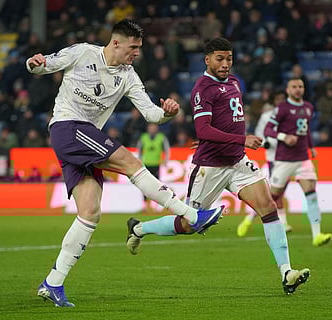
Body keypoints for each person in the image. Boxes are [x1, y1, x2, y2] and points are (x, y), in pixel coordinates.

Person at [26, 19, 224, 308]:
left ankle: (53, 282)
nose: (137, 53)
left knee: (90, 214)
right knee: (131, 162)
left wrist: (167, 113)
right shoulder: (82, 53)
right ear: (116, 42)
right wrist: (34, 62)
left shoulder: (129, 76)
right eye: (133, 47)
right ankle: (192, 216)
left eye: (139, 48)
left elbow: (152, 115)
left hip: (84, 139)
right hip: (68, 127)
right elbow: (41, 66)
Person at [127, 38, 310, 295]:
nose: (225, 64)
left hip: (237, 162)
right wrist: (239, 140)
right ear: (207, 60)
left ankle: (286, 272)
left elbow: (223, 123)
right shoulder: (202, 89)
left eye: (229, 59)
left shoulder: (234, 82)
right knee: (189, 224)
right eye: (220, 59)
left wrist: (230, 142)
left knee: (269, 208)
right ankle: (138, 228)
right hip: (210, 167)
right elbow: (203, 129)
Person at [263, 77, 332, 247]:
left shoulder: (308, 108)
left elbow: (306, 130)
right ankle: (255, 220)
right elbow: (268, 129)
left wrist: (311, 147)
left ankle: (317, 234)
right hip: (284, 160)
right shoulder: (282, 108)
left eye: (300, 86)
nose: (297, 89)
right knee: (272, 197)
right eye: (294, 87)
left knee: (312, 194)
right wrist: (284, 137)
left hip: (303, 159)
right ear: (288, 90)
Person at [236, 89, 293, 236]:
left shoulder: (291, 115)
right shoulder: (267, 116)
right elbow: (260, 134)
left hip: (289, 158)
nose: (280, 101)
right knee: (275, 192)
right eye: (278, 98)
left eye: (283, 98)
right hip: (274, 158)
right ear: (273, 101)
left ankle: (280, 222)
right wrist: (266, 142)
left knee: (278, 192)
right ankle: (250, 219)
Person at [137, 123, 170, 211]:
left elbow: (167, 150)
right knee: (144, 185)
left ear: (157, 129)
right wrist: (139, 161)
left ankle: (155, 205)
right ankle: (144, 205)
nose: (152, 129)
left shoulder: (161, 137)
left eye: (154, 128)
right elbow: (139, 150)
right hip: (146, 164)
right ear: (148, 129)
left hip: (156, 164)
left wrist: (166, 160)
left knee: (156, 185)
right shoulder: (143, 137)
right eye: (150, 128)